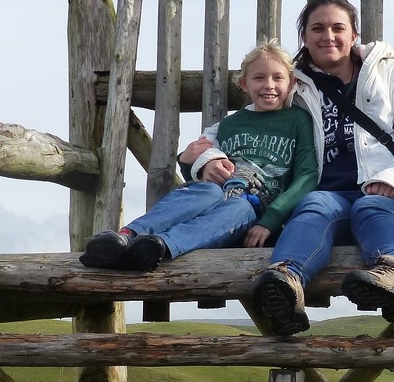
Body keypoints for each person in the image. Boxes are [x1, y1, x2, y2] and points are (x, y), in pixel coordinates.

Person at [186, 0, 394, 336]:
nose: (329, 36)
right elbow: (223, 133)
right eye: (317, 28)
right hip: (332, 200)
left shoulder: (390, 73)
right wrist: (206, 158)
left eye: (339, 27)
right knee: (314, 203)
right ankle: (285, 283)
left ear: (355, 35)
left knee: (371, 206)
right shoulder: (295, 84)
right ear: (304, 37)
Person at [80, 40, 317, 271]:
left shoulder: (298, 120)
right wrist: (192, 162)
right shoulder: (228, 125)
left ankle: (158, 246)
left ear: (291, 82)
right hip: (216, 193)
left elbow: (307, 175)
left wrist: (271, 220)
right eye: (259, 77)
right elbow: (197, 158)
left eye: (278, 77)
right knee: (206, 191)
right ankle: (125, 237)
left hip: (251, 213)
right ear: (244, 84)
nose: (269, 85)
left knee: (239, 208)